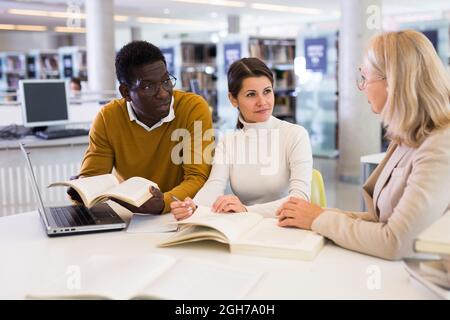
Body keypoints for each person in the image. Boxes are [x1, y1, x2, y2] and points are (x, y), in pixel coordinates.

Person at [276, 30, 450, 260]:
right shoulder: (406, 137)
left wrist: (318, 219)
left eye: (365, 78)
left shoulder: (440, 146)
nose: (362, 87)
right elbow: (383, 220)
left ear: (392, 82)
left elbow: (394, 241)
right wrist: (318, 214)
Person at [68, 41, 214, 214]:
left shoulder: (193, 108)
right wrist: (82, 191)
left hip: (181, 212)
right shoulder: (108, 117)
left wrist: (163, 203)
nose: (163, 93)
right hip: (130, 214)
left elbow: (197, 178)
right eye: (148, 86)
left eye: (166, 81)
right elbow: (94, 179)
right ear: (126, 93)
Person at [171, 57, 312, 220]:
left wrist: (246, 210)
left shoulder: (295, 135)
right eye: (251, 94)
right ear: (233, 99)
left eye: (267, 91)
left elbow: (299, 199)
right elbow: (214, 185)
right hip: (246, 227)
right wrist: (193, 207)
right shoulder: (228, 141)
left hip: (286, 226)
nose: (262, 102)